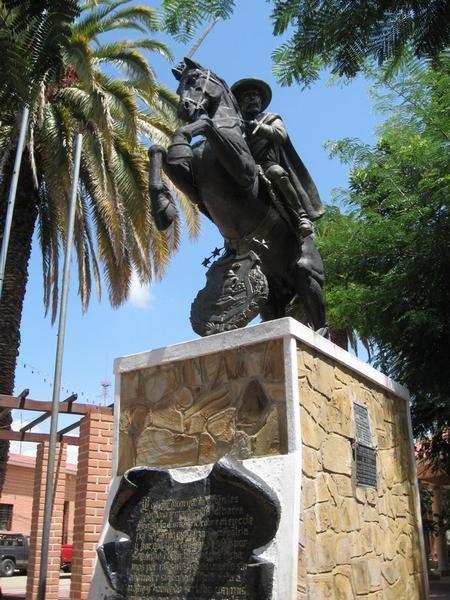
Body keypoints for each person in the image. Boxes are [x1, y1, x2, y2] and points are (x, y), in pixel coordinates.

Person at [231, 78, 324, 238]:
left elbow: (281, 135)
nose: (253, 99)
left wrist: (258, 127)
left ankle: (302, 216)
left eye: (256, 96)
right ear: (240, 102)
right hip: (245, 168)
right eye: (247, 96)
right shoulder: (236, 124)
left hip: (267, 164)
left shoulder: (271, 118)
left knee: (277, 172)